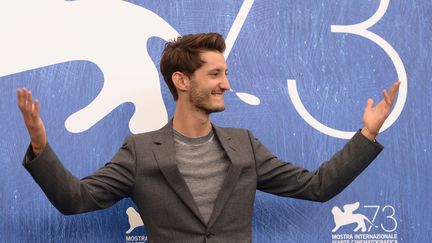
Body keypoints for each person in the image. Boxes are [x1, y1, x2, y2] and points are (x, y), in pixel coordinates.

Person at [17, 32, 400, 243]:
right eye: (214, 74)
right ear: (182, 81)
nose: (227, 84)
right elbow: (75, 200)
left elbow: (317, 187)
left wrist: (367, 133)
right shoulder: (140, 152)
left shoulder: (244, 145)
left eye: (225, 73)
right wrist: (40, 147)